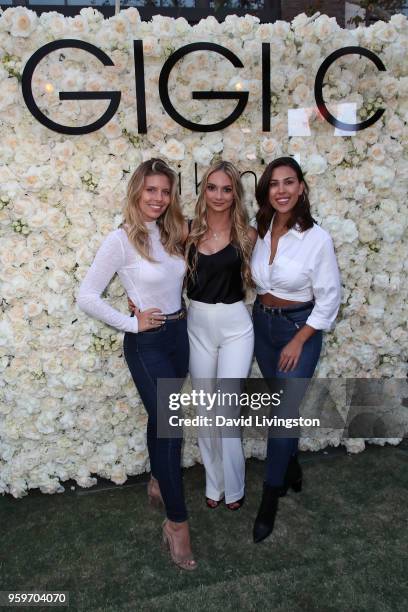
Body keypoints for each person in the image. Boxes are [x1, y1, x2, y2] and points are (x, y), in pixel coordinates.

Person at [77, 159, 197, 570]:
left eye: (165, 191)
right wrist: (132, 321)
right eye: (151, 191)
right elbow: (87, 296)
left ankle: (158, 482)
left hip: (179, 338)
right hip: (146, 344)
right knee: (170, 425)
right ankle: (177, 525)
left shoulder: (175, 231)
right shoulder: (121, 239)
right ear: (136, 192)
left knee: (159, 419)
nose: (159, 199)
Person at [250, 156, 341, 543]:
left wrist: (299, 339)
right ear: (266, 191)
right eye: (274, 183)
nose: (282, 190)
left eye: (289, 182)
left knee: (282, 416)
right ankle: (291, 465)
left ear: (302, 187)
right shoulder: (262, 226)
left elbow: (330, 300)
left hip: (297, 329)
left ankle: (269, 498)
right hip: (262, 325)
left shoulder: (317, 239)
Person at [185, 161, 257, 511]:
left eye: (226, 189)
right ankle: (214, 483)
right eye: (212, 187)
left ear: (235, 194)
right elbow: (159, 269)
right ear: (203, 191)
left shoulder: (249, 234)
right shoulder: (186, 232)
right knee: (205, 408)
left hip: (235, 326)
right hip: (197, 324)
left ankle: (236, 486)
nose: (218, 195)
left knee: (226, 409)